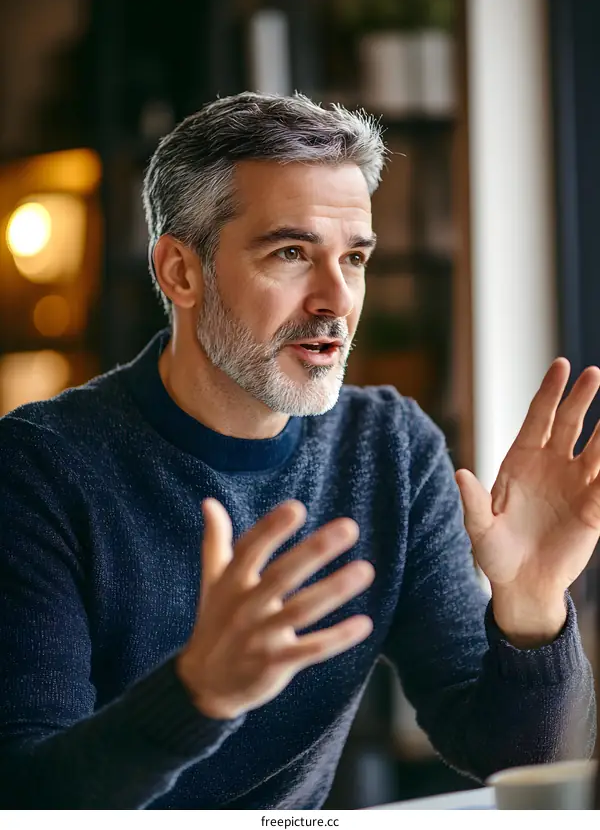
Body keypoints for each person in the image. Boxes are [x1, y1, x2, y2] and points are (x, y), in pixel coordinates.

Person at [0, 92, 596, 810]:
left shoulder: (391, 448)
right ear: (180, 272)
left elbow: (518, 760)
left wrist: (531, 607)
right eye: (291, 253)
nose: (335, 299)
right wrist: (197, 694)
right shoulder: (37, 469)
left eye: (355, 257)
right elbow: (25, 799)